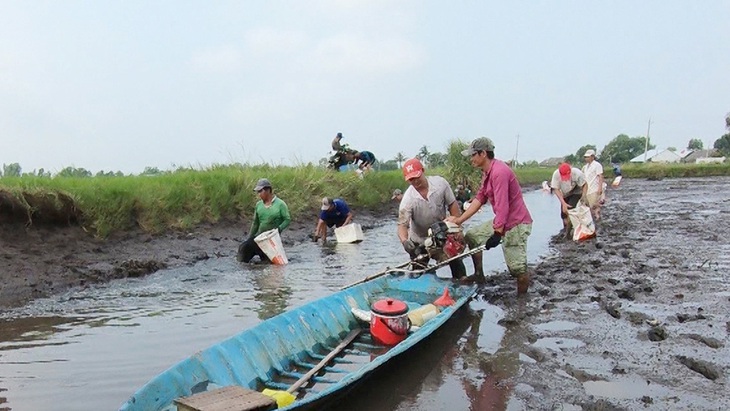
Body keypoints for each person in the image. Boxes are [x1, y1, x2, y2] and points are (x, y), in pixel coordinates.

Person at [446, 137, 533, 294]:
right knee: (472, 236)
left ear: (483, 154)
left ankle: (522, 301)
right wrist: (459, 220)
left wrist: (497, 233)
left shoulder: (499, 172)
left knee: (517, 268)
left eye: (473, 155)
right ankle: (479, 275)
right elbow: (480, 198)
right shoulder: (487, 172)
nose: (471, 159)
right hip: (502, 219)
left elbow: (502, 205)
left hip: (516, 223)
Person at [398, 158, 466, 279]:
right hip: (419, 240)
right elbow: (402, 225)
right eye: (411, 180)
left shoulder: (441, 184)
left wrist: (458, 227)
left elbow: (452, 205)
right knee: (417, 275)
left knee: (456, 263)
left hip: (441, 235)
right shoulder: (408, 200)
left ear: (423, 171)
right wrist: (404, 241)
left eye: (417, 177)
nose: (415, 182)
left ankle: (462, 283)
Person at [237, 178, 291, 263]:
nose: (258, 194)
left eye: (260, 191)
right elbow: (255, 223)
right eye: (258, 192)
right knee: (244, 248)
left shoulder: (280, 204)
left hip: (272, 240)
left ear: (268, 190)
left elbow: (287, 219)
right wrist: (250, 238)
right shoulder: (258, 205)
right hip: (260, 238)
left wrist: (279, 229)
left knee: (269, 264)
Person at [550, 162, 587, 238]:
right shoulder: (556, 175)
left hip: (576, 191)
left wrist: (583, 196)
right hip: (564, 193)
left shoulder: (577, 173)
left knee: (571, 209)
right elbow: (556, 189)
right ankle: (565, 228)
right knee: (564, 213)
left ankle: (570, 231)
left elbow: (585, 185)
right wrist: (563, 203)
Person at [581, 149, 604, 221]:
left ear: (593, 157)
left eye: (588, 157)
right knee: (588, 206)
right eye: (585, 157)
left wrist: (600, 188)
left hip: (594, 188)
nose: (586, 158)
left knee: (595, 205)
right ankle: (592, 219)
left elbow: (600, 176)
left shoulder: (597, 165)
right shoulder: (585, 167)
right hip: (587, 189)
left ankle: (597, 217)